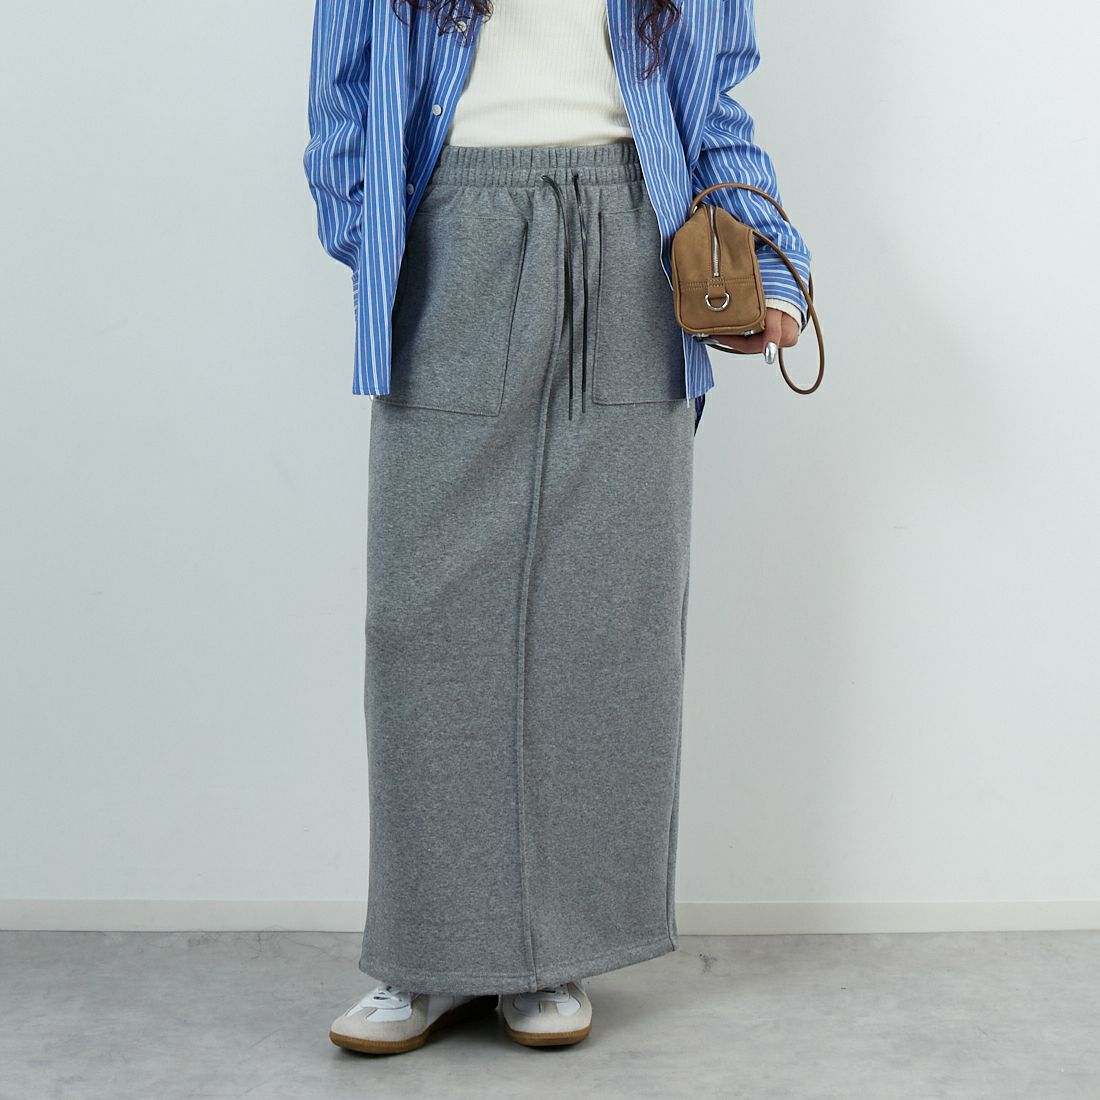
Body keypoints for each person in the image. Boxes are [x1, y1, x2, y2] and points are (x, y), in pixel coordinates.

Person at [302, 0, 811, 1055]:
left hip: (634, 236)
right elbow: (341, 95)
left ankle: (549, 954)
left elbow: (712, 100)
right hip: (453, 228)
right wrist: (376, 234)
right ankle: (425, 955)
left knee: (602, 609)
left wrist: (767, 265)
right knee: (424, 619)